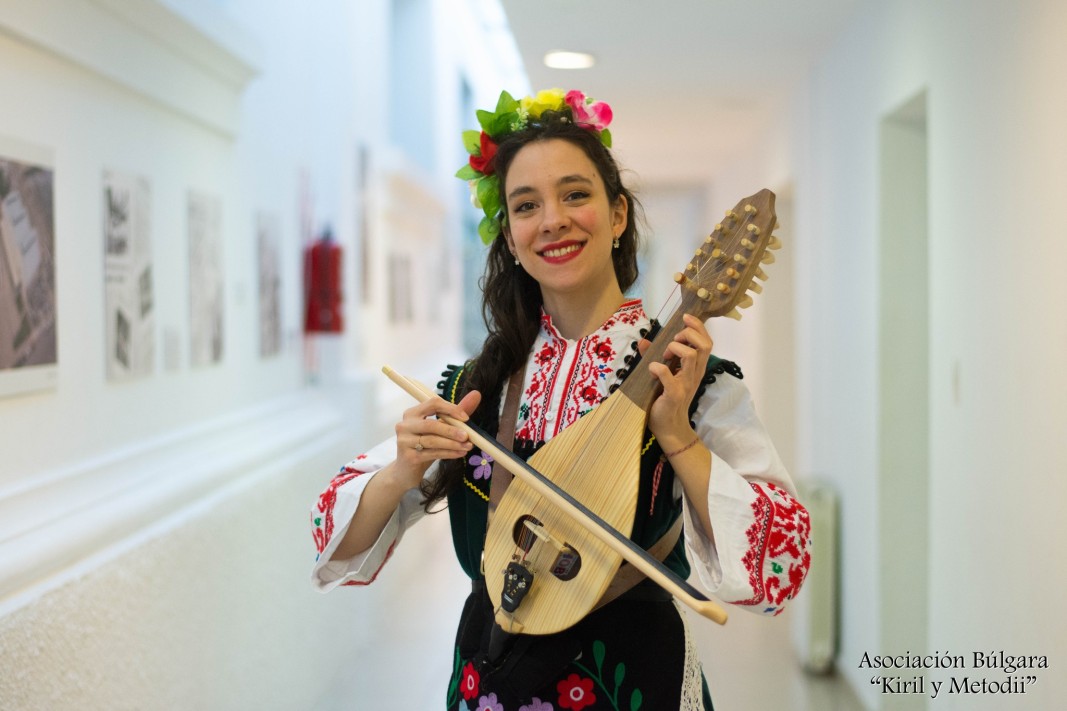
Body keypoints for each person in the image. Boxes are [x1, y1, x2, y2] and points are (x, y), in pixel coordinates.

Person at [310, 88, 812, 710]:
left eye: (576, 194)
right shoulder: (476, 386)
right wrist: (401, 470)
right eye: (527, 206)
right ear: (511, 237)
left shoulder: (694, 378)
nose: (553, 220)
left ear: (618, 215)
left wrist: (678, 437)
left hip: (634, 682)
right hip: (493, 677)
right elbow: (337, 541)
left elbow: (781, 566)